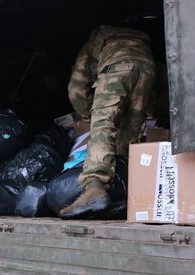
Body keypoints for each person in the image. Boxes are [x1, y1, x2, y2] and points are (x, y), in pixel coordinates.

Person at [60, 25, 156, 219]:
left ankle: (94, 187)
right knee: (128, 140)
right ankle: (126, 192)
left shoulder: (98, 38)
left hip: (117, 68)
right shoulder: (141, 39)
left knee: (103, 127)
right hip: (147, 71)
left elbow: (76, 87)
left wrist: (87, 115)